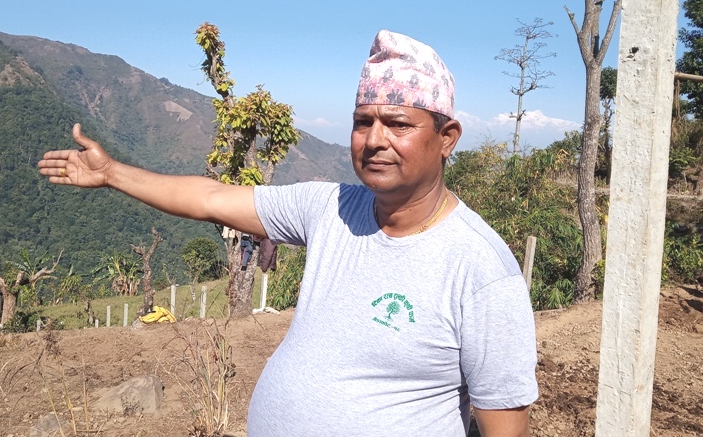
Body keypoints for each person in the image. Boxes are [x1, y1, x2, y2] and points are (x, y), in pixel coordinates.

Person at [39, 29, 537, 436]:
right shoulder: (333, 207)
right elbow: (212, 199)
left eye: (399, 124)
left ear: (446, 138)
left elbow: (505, 428)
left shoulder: (478, 268)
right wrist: (113, 174)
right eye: (364, 122)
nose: (375, 140)